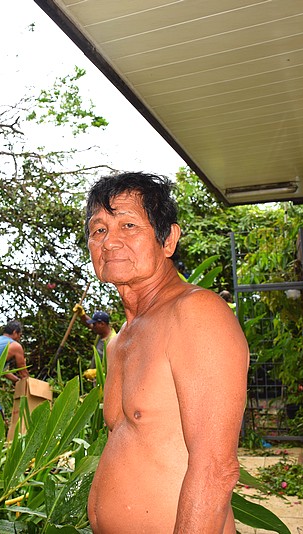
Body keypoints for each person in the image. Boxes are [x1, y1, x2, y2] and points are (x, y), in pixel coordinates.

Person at [85, 172, 249, 533]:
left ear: (168, 239)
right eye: (98, 230)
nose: (109, 241)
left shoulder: (195, 313)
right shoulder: (121, 340)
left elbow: (216, 469)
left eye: (128, 225)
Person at [73, 306, 118, 372]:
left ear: (102, 324)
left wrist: (96, 372)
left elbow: (114, 366)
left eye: (94, 324)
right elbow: (88, 324)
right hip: (95, 379)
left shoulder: (113, 341)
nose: (93, 327)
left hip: (104, 379)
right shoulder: (100, 335)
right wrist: (82, 315)